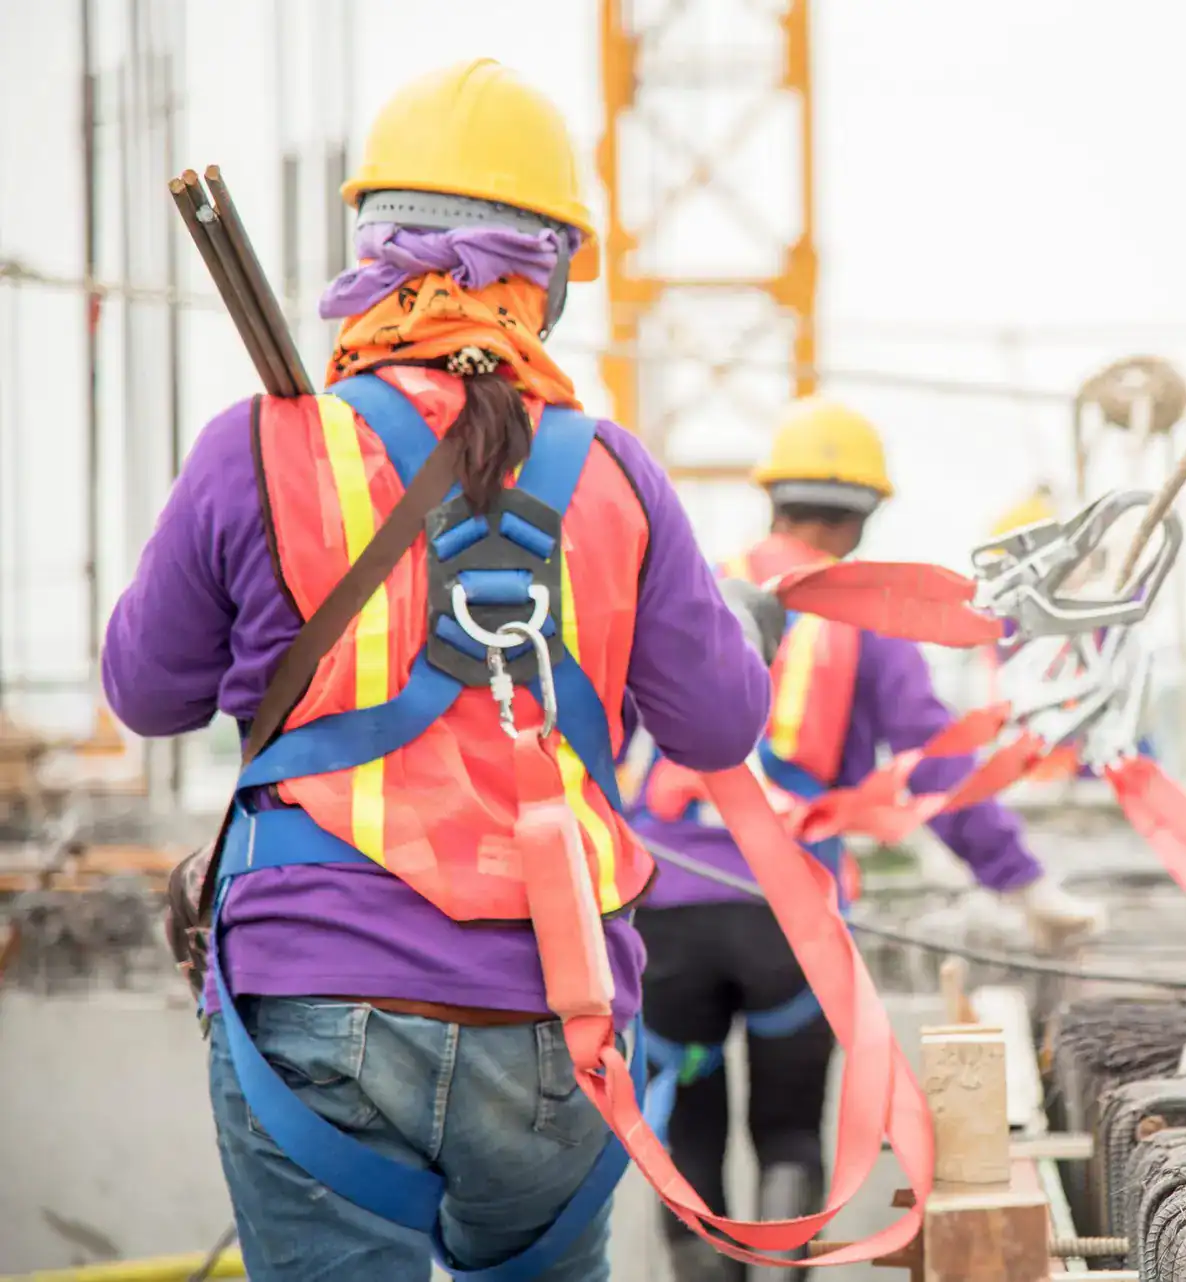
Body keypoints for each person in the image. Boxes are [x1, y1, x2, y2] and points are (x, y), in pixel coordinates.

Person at [103, 60, 781, 1280]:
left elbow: (148, 693)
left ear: (373, 254)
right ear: (547, 275)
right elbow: (722, 722)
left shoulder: (259, 448)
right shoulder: (615, 476)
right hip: (557, 1015)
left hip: (314, 992)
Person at [626, 399, 1104, 1282]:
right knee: (788, 1131)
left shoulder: (687, 589)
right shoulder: (867, 621)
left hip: (669, 910)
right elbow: (936, 767)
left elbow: (607, 735)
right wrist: (1022, 882)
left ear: (773, 497)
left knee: (687, 1120)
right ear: (864, 519)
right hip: (791, 921)